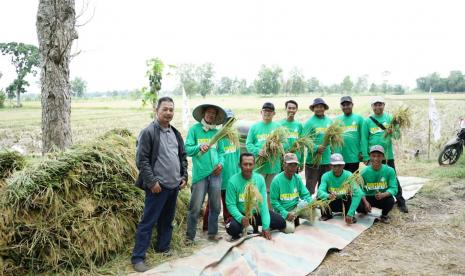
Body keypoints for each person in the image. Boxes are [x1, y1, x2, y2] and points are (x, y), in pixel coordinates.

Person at [131, 97, 188, 272]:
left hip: (173, 186)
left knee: (167, 220)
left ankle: (163, 247)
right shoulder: (149, 132)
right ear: (157, 110)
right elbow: (142, 160)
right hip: (157, 187)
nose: (169, 113)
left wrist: (184, 176)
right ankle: (138, 257)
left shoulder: (175, 133)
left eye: (171, 109)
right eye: (165, 109)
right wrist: (152, 182)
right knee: (148, 222)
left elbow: (182, 157)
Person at [185, 104, 226, 243]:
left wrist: (221, 164)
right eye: (209, 112)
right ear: (203, 114)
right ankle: (190, 236)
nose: (211, 115)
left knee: (215, 206)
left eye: (214, 113)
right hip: (200, 175)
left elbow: (221, 152)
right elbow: (187, 149)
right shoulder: (195, 130)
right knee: (195, 206)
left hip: (215, 174)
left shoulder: (217, 133)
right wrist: (198, 147)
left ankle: (212, 233)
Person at [360, 97, 408, 213]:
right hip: (373, 156)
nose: (378, 107)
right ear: (372, 106)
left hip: (387, 155)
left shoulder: (390, 119)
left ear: (384, 105)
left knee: (393, 177)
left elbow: (397, 136)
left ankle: (401, 202)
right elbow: (364, 139)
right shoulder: (368, 121)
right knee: (371, 177)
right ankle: (371, 199)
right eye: (375, 105)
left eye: (380, 104)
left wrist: (393, 132)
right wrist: (366, 157)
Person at [225, 153, 286, 241]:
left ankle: (253, 226)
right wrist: (240, 218)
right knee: (232, 229)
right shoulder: (232, 181)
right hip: (241, 214)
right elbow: (231, 205)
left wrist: (266, 227)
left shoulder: (259, 179)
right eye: (245, 164)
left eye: (250, 164)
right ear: (239, 165)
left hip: (256, 213)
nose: (248, 167)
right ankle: (245, 227)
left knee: (281, 223)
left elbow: (263, 205)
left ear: (254, 165)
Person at [202, 109, 239, 230]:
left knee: (229, 204)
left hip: (232, 177)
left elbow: (238, 157)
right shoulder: (217, 136)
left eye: (230, 121)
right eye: (226, 120)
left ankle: (229, 224)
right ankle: (207, 226)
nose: (228, 123)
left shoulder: (235, 137)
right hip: (218, 176)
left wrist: (238, 174)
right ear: (222, 121)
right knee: (213, 204)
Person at [246, 102, 282, 205]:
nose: (267, 113)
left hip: (273, 166)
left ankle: (270, 213)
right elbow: (248, 144)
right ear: (261, 112)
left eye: (270, 111)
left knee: (271, 192)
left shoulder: (278, 127)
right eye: (265, 111)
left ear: (274, 113)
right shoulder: (254, 127)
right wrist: (258, 151)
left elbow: (284, 144)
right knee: (257, 191)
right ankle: (257, 213)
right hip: (259, 166)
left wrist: (275, 147)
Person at [270, 153, 312, 232]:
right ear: (284, 165)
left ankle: (295, 218)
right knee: (290, 230)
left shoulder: (297, 178)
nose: (293, 168)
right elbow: (274, 201)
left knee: (316, 213)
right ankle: (280, 222)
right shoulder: (276, 180)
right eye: (290, 165)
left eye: (295, 165)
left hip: (296, 209)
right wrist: (285, 213)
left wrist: (311, 203)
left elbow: (305, 195)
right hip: (283, 211)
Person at [317, 153, 363, 224]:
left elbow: (358, 193)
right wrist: (328, 196)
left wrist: (350, 213)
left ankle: (350, 215)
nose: (337, 168)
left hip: (344, 203)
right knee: (320, 197)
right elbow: (320, 191)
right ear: (330, 166)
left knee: (349, 195)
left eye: (340, 165)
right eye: (335, 165)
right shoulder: (325, 176)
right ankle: (326, 214)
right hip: (332, 202)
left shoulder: (349, 175)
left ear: (343, 165)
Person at [358, 145, 398, 223]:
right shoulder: (363, 171)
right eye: (373, 156)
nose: (376, 158)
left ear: (383, 157)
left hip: (382, 197)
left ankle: (384, 215)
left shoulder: (390, 170)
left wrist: (384, 194)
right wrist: (365, 201)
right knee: (358, 204)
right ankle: (365, 210)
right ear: (370, 156)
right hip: (368, 197)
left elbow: (394, 188)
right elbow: (359, 189)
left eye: (379, 156)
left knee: (390, 200)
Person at [303, 98, 332, 194]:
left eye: (321, 107)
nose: (319, 109)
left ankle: (322, 205)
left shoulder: (330, 122)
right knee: (310, 187)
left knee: (324, 187)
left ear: (324, 108)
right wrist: (316, 148)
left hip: (327, 160)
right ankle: (309, 206)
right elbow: (304, 140)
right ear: (313, 108)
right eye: (317, 107)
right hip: (313, 161)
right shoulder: (309, 122)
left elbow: (333, 138)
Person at [336, 96, 364, 173]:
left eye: (348, 104)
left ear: (352, 105)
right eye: (343, 105)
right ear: (341, 106)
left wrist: (362, 151)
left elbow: (364, 137)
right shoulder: (337, 120)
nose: (345, 107)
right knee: (342, 180)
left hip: (354, 156)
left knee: (353, 179)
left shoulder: (359, 119)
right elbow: (333, 139)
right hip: (340, 157)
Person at [279, 100, 304, 171]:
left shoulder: (299, 125)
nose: (291, 110)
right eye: (289, 108)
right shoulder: (279, 124)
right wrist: (282, 153)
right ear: (285, 109)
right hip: (282, 159)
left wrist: (301, 162)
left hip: (295, 160)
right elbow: (276, 142)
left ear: (296, 110)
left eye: (294, 108)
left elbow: (301, 144)